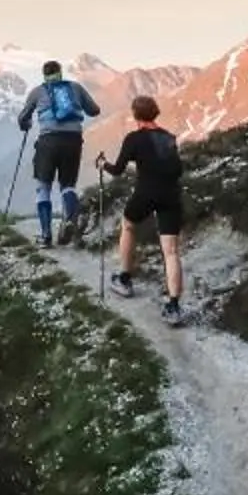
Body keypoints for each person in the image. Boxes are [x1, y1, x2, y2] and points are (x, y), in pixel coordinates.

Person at [99, 93, 189, 322]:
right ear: (155, 112)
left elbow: (118, 170)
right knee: (171, 251)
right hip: (171, 196)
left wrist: (102, 164)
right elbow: (178, 170)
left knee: (128, 225)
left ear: (135, 114)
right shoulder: (169, 138)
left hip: (146, 193)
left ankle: (125, 278)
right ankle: (174, 305)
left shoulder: (134, 139)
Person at [16, 59, 100, 245]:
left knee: (43, 186)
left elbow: (23, 117)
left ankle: (46, 236)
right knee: (68, 184)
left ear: (44, 75)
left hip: (48, 141)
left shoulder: (38, 91)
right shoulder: (75, 88)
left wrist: (27, 124)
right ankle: (69, 221)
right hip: (73, 140)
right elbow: (94, 110)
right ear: (61, 73)